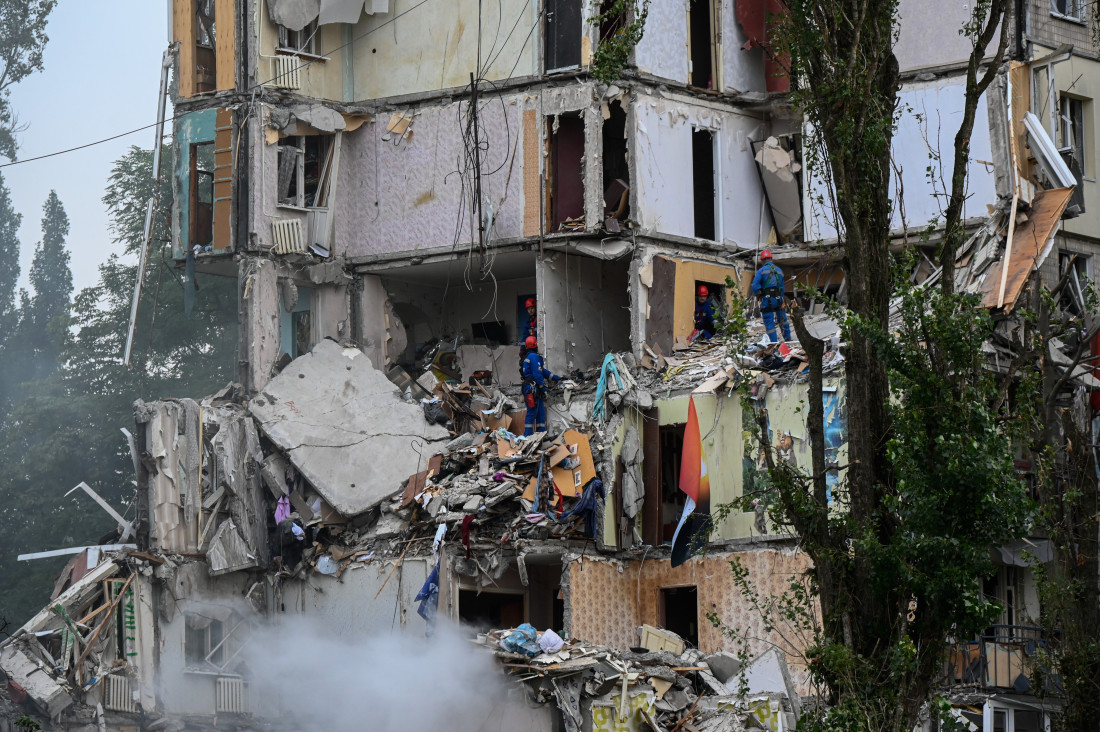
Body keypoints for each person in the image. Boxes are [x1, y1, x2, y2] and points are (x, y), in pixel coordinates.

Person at [521, 336, 560, 436]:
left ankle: (541, 437)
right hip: (533, 388)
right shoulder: (534, 357)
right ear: (535, 345)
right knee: (532, 413)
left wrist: (554, 377)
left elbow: (542, 371)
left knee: (540, 414)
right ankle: (528, 437)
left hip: (532, 388)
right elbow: (538, 374)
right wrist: (543, 388)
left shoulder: (528, 357)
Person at [751, 250, 791, 342]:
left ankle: (774, 343)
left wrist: (758, 295)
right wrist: (781, 297)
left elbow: (755, 285)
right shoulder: (779, 270)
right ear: (771, 259)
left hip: (767, 299)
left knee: (769, 321)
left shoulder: (761, 271)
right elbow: (782, 288)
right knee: (782, 318)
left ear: (762, 260)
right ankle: (788, 338)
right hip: (779, 298)